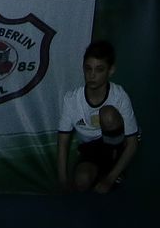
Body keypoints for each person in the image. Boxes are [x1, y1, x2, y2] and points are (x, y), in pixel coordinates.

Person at [57, 40, 139, 193]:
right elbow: (63, 142)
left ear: (111, 70)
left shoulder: (119, 96)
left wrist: (110, 179)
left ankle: (115, 164)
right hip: (90, 148)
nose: (92, 75)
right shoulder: (71, 100)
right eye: (88, 68)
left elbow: (133, 144)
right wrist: (62, 180)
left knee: (107, 114)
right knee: (81, 181)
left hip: (116, 144)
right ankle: (101, 168)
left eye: (99, 69)